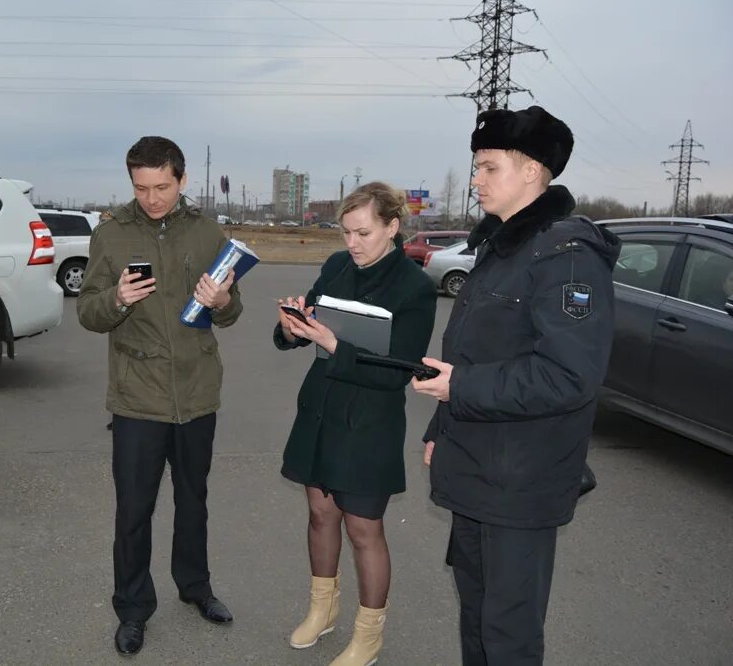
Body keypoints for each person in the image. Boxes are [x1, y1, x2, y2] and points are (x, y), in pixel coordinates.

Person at [412, 105, 621, 666]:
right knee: (477, 615)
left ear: (533, 171)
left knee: (509, 634)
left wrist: (461, 391)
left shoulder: (566, 255)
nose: (475, 180)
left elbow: (568, 375)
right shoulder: (502, 247)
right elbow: (471, 355)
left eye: (488, 167)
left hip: (521, 481)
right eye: (475, 167)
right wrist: (441, 425)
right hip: (478, 464)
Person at [77, 136, 243, 656]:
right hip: (137, 398)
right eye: (141, 187)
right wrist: (116, 298)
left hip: (197, 394)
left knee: (194, 502)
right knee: (133, 510)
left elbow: (232, 311)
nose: (151, 198)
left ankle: (195, 588)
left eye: (162, 187)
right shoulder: (110, 235)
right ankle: (132, 609)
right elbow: (87, 311)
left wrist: (222, 301)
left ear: (182, 180)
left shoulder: (207, 231)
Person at [275, 182, 436, 666]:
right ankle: (322, 610)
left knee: (365, 531)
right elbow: (312, 325)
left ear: (393, 226)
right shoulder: (335, 266)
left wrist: (332, 346)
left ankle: (369, 633)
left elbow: (401, 368)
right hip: (320, 411)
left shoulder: (415, 288)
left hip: (369, 424)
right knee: (320, 515)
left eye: (363, 232)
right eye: (346, 232)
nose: (353, 243)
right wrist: (292, 329)